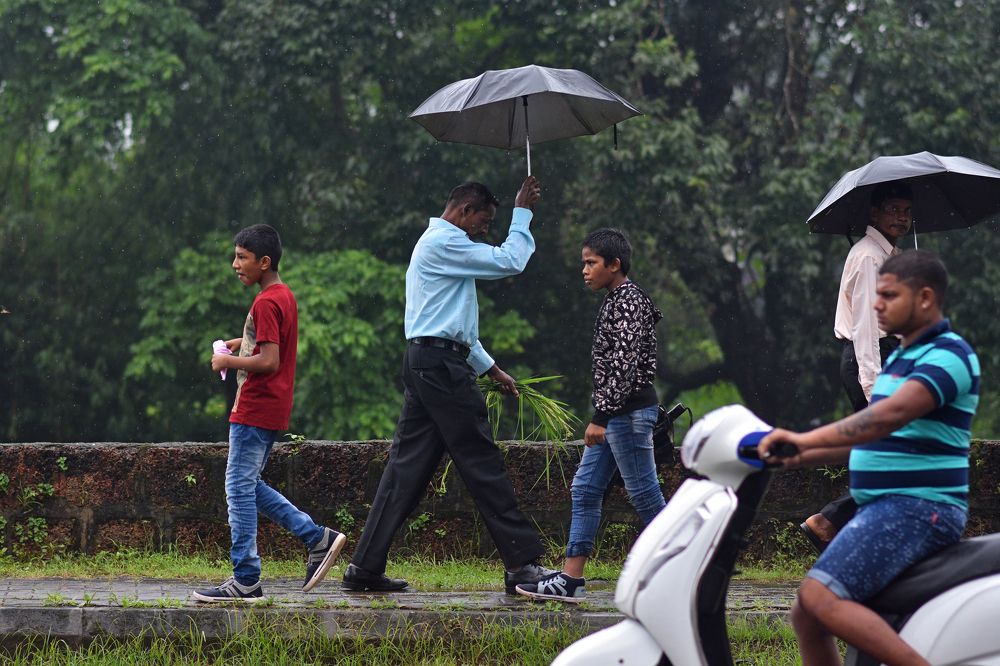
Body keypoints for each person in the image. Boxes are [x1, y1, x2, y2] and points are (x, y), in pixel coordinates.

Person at [760, 250, 979, 666]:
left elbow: (886, 418)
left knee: (815, 596)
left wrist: (804, 436)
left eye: (889, 295)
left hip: (917, 507)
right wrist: (796, 454)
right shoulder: (899, 359)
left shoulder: (949, 354)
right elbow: (872, 438)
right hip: (883, 507)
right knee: (807, 615)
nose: (876, 304)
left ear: (926, 298)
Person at [343, 176, 554, 593]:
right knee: (481, 460)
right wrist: (522, 210)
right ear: (463, 212)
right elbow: (510, 261)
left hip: (429, 361)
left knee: (407, 468)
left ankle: (364, 567)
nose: (484, 230)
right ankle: (520, 564)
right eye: (483, 221)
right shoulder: (444, 242)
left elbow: (451, 322)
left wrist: (489, 368)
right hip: (439, 367)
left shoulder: (442, 247)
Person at [193, 224, 346, 602]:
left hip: (255, 405)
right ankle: (317, 538)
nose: (235, 265)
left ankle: (246, 577)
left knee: (237, 488)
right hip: (273, 406)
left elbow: (269, 359)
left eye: (242, 257)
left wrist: (227, 359)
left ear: (264, 261)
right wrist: (239, 343)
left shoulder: (264, 301)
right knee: (247, 485)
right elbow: (266, 342)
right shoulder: (282, 295)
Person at [516, 228, 666, 603]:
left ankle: (689, 568)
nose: (584, 271)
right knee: (584, 489)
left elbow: (623, 366)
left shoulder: (630, 301)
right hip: (617, 414)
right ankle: (570, 578)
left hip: (627, 415)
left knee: (645, 496)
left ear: (614, 265)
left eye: (591, 263)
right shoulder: (615, 300)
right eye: (584, 263)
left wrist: (600, 417)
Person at [800, 181, 913, 551]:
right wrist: (873, 388)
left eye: (906, 210)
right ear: (874, 213)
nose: (901, 217)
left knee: (887, 452)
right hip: (870, 360)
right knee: (890, 451)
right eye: (893, 209)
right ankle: (830, 520)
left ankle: (844, 527)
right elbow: (866, 325)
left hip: (883, 357)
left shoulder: (889, 256)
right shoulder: (868, 257)